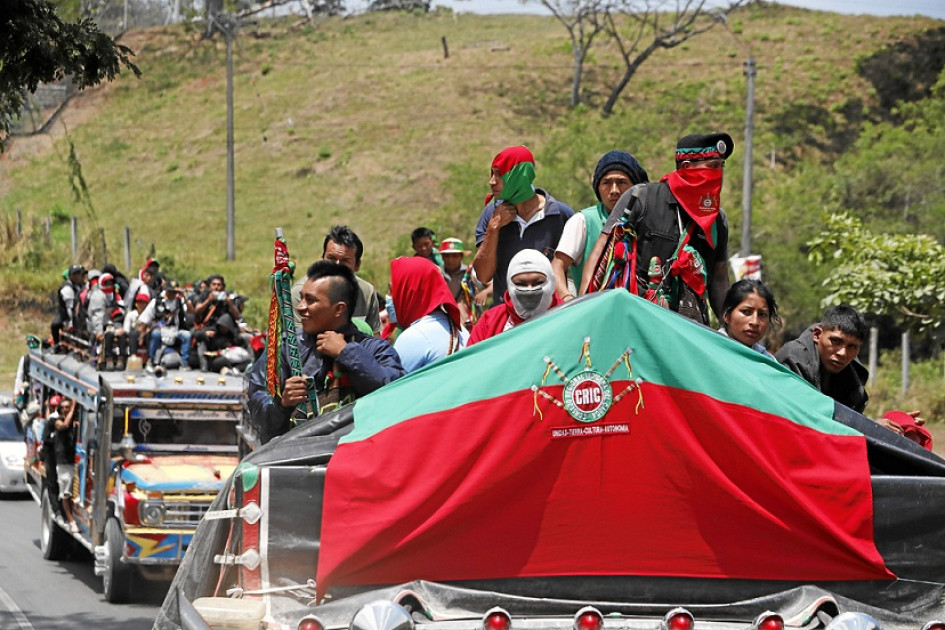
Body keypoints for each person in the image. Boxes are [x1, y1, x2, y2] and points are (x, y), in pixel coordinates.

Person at [581, 133, 734, 325]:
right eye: (712, 166)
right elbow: (600, 257)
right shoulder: (641, 198)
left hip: (689, 328)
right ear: (686, 167)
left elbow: (719, 281)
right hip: (636, 320)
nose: (718, 173)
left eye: (721, 166)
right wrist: (584, 314)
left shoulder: (717, 220)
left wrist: (731, 330)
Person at [246, 261, 406, 444]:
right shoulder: (287, 347)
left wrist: (346, 353)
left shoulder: (374, 349)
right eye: (302, 298)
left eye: (311, 300)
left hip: (354, 459)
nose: (300, 307)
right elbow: (257, 401)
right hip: (292, 462)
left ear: (339, 309)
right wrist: (282, 404)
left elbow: (395, 394)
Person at [774, 305, 919, 438]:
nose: (843, 353)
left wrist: (898, 425)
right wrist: (871, 427)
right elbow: (806, 418)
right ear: (817, 335)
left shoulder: (851, 368)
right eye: (835, 341)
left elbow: (849, 416)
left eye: (852, 346)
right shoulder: (793, 358)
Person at [473, 146, 574, 303]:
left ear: (519, 175)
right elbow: (483, 275)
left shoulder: (561, 215)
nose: (491, 181)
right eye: (492, 174)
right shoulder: (491, 214)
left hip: (550, 316)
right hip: (507, 318)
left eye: (499, 174)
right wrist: (493, 229)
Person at [553, 150, 649, 301]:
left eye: (622, 182)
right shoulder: (583, 221)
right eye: (606, 183)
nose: (614, 190)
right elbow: (557, 266)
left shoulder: (647, 221)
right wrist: (567, 298)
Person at [292, 225, 382, 335]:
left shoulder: (366, 292)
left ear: (357, 265)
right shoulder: (300, 292)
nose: (336, 266)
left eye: (345, 261)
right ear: (322, 258)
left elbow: (375, 338)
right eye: (331, 259)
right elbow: (298, 342)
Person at [389, 257, 468, 373]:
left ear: (409, 292)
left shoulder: (413, 338)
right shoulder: (460, 330)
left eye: (392, 290)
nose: (388, 297)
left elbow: (392, 387)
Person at [468, 249, 560, 345]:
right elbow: (471, 358)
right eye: (521, 284)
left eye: (538, 282)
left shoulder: (566, 314)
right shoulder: (490, 321)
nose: (529, 291)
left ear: (552, 283)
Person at [718, 279, 780, 359]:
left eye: (762, 314)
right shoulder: (708, 350)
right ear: (726, 315)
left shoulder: (767, 362)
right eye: (746, 312)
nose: (755, 322)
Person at [193, 274, 244, 370]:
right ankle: (204, 364)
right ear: (210, 286)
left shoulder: (227, 296)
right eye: (214, 284)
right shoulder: (205, 295)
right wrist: (209, 300)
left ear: (223, 287)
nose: (216, 287)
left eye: (219, 285)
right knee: (200, 336)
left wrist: (229, 302)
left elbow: (237, 316)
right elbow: (197, 311)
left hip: (222, 330)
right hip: (207, 327)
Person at [138, 280, 192, 369]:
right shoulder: (156, 302)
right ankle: (151, 360)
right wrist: (141, 335)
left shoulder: (180, 301)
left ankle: (184, 362)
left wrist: (184, 297)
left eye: (174, 292)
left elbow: (191, 311)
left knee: (187, 335)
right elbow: (145, 319)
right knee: (155, 334)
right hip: (161, 329)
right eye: (170, 291)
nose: (172, 294)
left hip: (175, 330)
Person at [87, 272, 130, 370]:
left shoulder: (115, 294)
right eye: (106, 283)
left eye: (111, 283)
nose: (109, 286)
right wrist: (99, 331)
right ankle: (108, 359)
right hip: (99, 324)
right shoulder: (98, 296)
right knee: (109, 334)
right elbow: (97, 316)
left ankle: (121, 359)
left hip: (115, 321)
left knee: (122, 334)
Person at [53, 397, 79, 533]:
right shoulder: (58, 422)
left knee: (75, 493)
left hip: (74, 462)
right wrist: (73, 407)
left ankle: (75, 517)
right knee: (66, 494)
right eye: (62, 407)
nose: (65, 409)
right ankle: (71, 521)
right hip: (63, 463)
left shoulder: (74, 424)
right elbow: (64, 425)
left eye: (67, 407)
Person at [51, 264, 85, 345]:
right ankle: (58, 346)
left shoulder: (81, 285)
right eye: (74, 274)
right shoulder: (67, 289)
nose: (77, 276)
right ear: (69, 276)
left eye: (79, 273)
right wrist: (73, 324)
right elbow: (70, 309)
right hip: (66, 317)